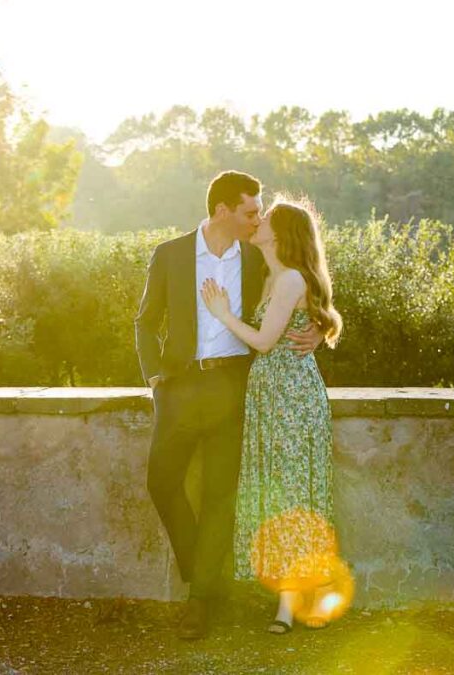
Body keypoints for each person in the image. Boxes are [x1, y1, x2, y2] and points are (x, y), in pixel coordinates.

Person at [134, 171, 324, 640]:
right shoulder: (171, 254)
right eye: (249, 211)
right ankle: (204, 573)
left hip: (235, 390)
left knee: (220, 495)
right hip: (179, 387)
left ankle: (200, 601)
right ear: (222, 211)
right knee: (161, 481)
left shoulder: (258, 259)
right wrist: (155, 376)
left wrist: (322, 327)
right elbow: (144, 321)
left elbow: (307, 287)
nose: (257, 219)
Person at [200, 196, 351, 634]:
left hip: (291, 398)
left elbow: (265, 342)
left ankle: (292, 605)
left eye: (266, 218)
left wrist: (224, 314)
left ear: (281, 233)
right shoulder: (269, 274)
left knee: (293, 497)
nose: (258, 221)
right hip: (269, 395)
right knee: (280, 499)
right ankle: (297, 598)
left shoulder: (287, 281)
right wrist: (323, 326)